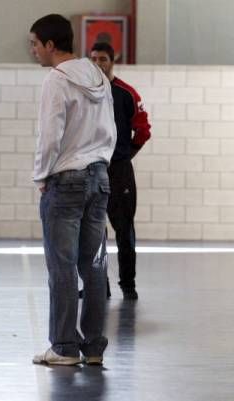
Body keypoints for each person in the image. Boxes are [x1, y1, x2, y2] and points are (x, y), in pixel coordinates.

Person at [29, 14, 116, 365]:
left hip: (66, 182)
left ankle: (64, 347)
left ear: (51, 45)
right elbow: (110, 128)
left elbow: (50, 135)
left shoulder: (57, 79)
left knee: (62, 267)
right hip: (100, 177)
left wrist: (41, 176)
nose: (33, 50)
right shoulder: (97, 75)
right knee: (93, 266)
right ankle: (93, 346)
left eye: (35, 44)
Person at [90, 41, 151, 300]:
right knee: (94, 232)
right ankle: (97, 285)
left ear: (112, 61)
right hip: (91, 169)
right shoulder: (85, 92)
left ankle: (128, 284)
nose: (98, 64)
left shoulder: (127, 94)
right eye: (93, 59)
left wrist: (125, 156)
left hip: (119, 171)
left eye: (102, 59)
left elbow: (143, 131)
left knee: (124, 229)